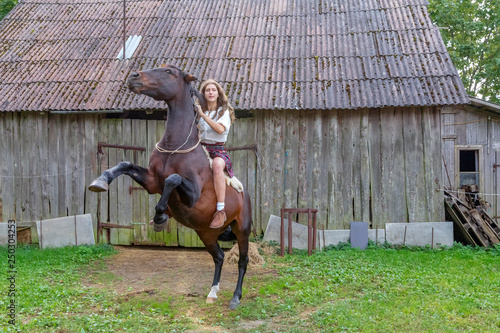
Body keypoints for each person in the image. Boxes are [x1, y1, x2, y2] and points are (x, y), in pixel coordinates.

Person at [196, 79, 236, 228]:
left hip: (217, 149)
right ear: (204, 94)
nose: (211, 92)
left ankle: (220, 210)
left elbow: (220, 129)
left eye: (213, 90)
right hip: (200, 148)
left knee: (218, 166)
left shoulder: (223, 111)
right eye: (207, 90)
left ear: (218, 93)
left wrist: (203, 116)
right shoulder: (200, 110)